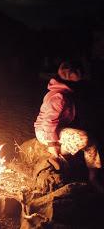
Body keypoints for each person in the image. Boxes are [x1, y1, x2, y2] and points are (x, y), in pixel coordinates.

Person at [34, 61, 103, 192]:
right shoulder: (59, 97)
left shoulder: (64, 93)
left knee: (89, 139)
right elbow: (49, 122)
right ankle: (59, 159)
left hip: (57, 129)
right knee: (85, 138)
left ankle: (93, 177)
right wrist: (53, 146)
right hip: (45, 132)